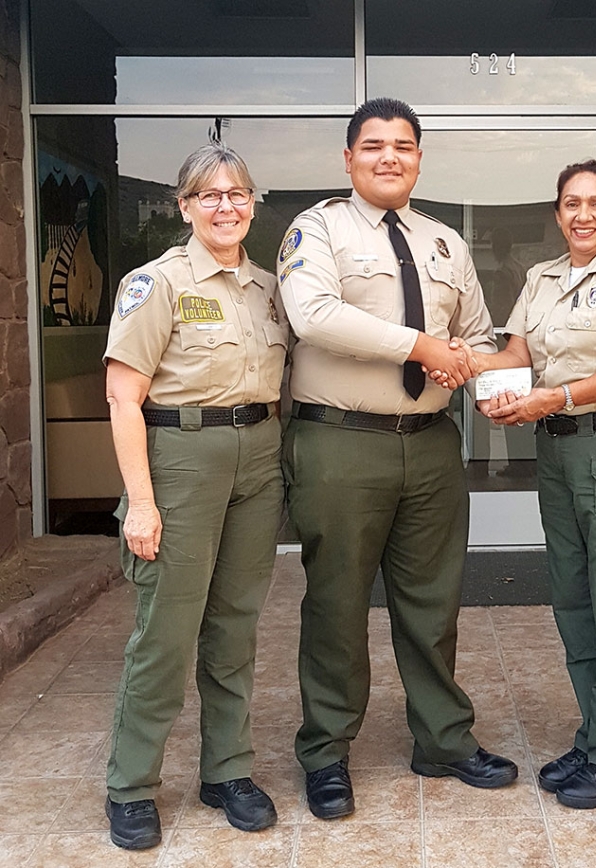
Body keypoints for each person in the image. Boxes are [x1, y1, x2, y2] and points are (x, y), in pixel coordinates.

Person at [277, 97, 517, 822]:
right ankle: (325, 751)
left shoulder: (446, 243)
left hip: (431, 447)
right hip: (340, 443)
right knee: (337, 604)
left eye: (404, 146)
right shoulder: (314, 228)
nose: (390, 157)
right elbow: (312, 315)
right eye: (374, 145)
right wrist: (419, 348)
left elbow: (473, 332)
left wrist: (464, 365)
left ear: (419, 158)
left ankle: (443, 739)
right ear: (348, 159)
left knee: (433, 603)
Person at [446, 160, 596, 809]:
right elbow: (516, 357)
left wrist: (558, 397)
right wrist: (457, 363)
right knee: (573, 600)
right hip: (560, 454)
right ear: (557, 212)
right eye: (572, 203)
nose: (583, 215)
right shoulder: (542, 278)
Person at [103, 142, 287, 849]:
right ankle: (131, 784)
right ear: (184, 206)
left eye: (237, 194)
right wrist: (141, 502)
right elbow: (123, 398)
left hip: (258, 456)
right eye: (209, 195)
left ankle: (228, 771)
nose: (225, 207)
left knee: (235, 627)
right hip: (179, 459)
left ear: (252, 204)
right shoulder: (158, 283)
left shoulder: (268, 289)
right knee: (167, 634)